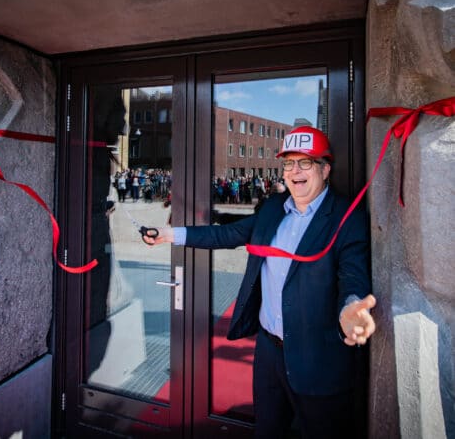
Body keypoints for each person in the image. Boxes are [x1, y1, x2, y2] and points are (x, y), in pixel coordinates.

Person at [143, 126, 376, 439]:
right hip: (268, 353)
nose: (295, 171)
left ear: (325, 169)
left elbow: (353, 277)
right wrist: (169, 236)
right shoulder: (272, 209)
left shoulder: (348, 217)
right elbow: (226, 234)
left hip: (319, 359)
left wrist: (350, 311)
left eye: (305, 162)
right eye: (289, 164)